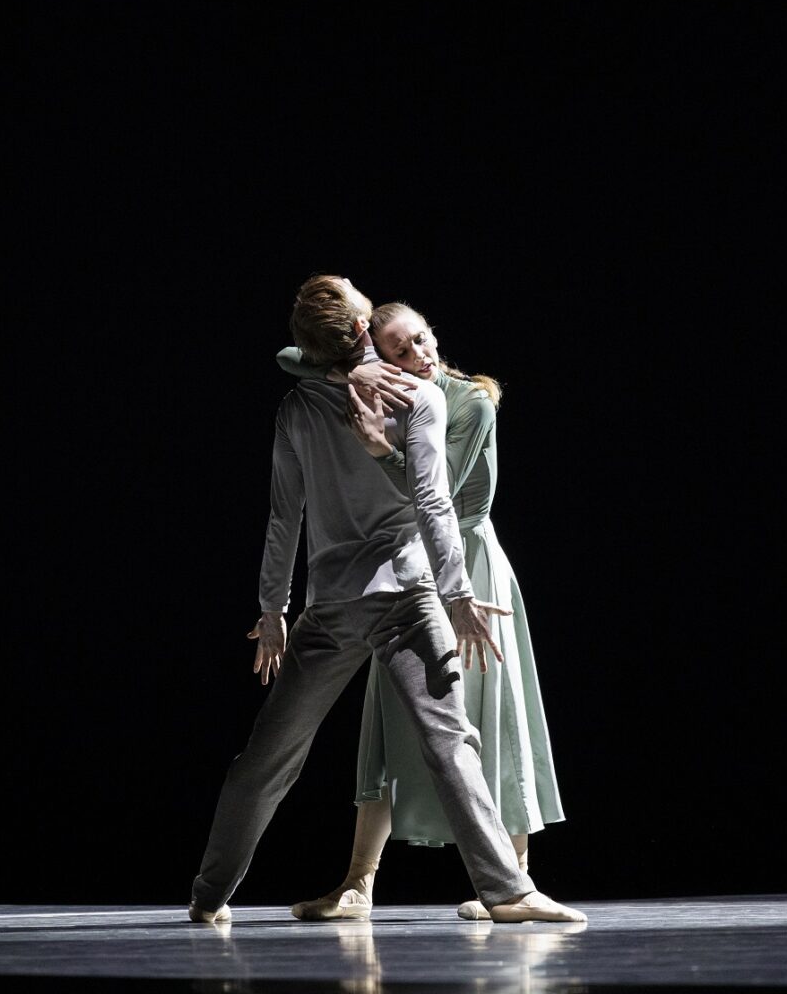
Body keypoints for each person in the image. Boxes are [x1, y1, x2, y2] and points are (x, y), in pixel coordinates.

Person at [188, 274, 585, 926]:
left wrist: (271, 611)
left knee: (266, 761)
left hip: (332, 603)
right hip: (405, 595)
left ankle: (208, 896)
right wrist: (458, 593)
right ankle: (508, 892)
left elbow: (283, 517)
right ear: (361, 331)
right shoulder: (416, 396)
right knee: (451, 743)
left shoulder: (296, 407)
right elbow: (431, 504)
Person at [277, 301, 564, 922]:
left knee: (487, 713)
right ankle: (359, 883)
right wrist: (351, 374)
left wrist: (381, 451)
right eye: (400, 351)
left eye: (422, 341)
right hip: (409, 569)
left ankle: (515, 877)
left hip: (470, 564)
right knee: (386, 720)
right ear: (377, 353)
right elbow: (290, 358)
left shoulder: (469, 402)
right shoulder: (384, 385)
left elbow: (441, 490)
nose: (419, 357)